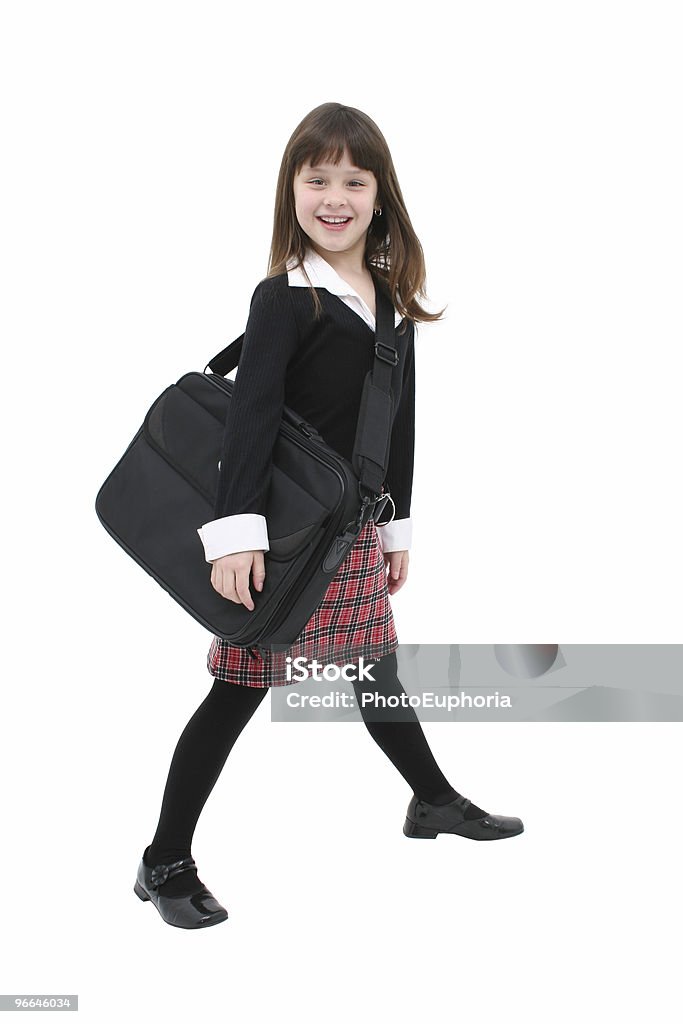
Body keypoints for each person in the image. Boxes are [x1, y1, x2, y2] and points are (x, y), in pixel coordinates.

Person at [133, 102, 524, 930]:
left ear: (381, 195)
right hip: (277, 537)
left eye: (354, 178)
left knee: (375, 669)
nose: (334, 195)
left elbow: (400, 423)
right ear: (293, 192)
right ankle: (164, 858)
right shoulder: (282, 297)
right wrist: (234, 533)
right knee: (236, 692)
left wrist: (396, 528)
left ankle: (431, 801)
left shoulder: (390, 302)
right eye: (317, 179)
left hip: (349, 533)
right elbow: (250, 420)